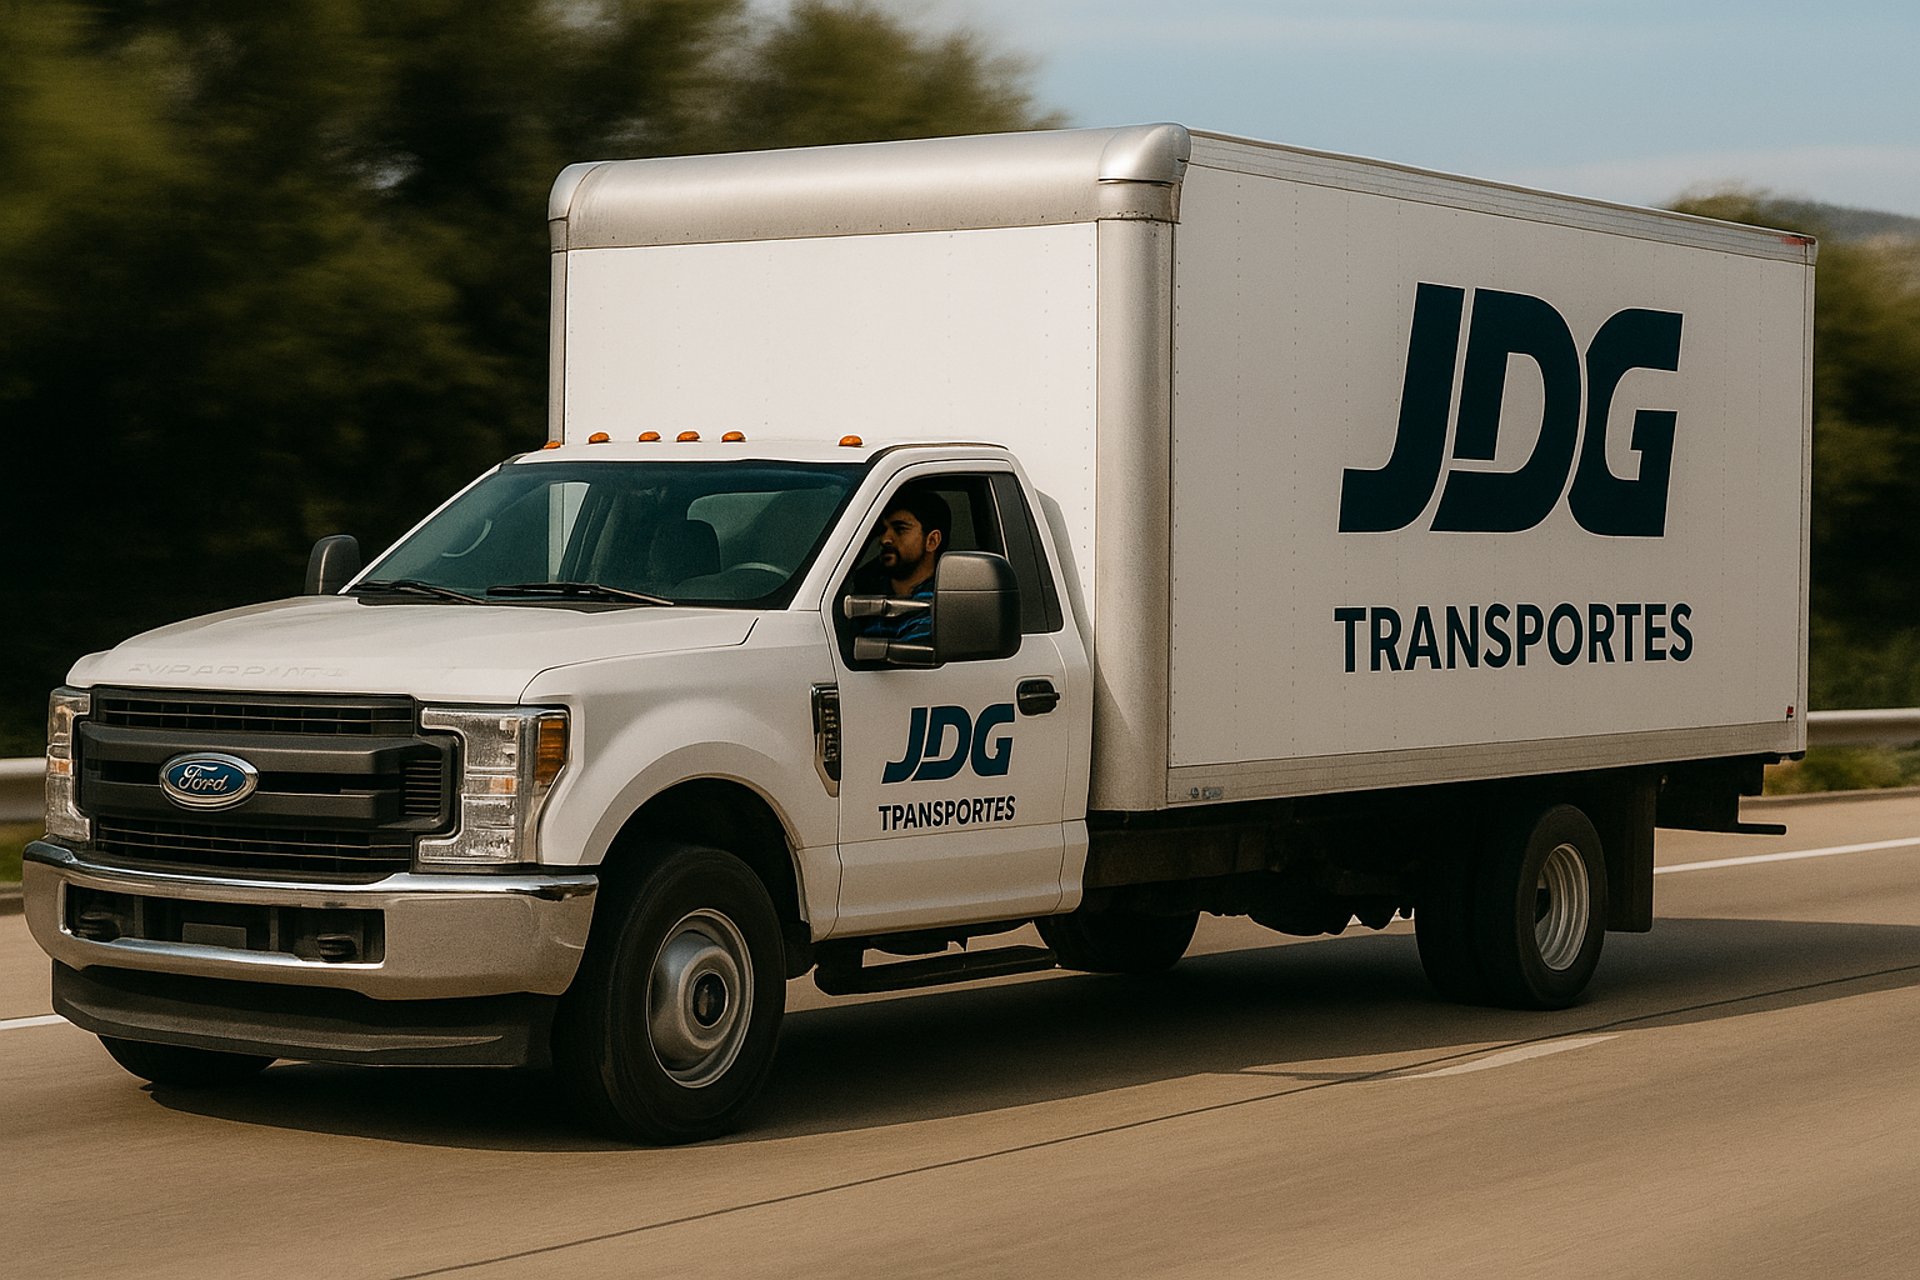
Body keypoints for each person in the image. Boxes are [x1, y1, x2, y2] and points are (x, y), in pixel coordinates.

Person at [859, 485, 950, 643]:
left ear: (932, 541)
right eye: (883, 530)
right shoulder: (859, 588)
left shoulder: (945, 605)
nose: (885, 539)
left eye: (900, 529)